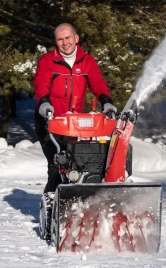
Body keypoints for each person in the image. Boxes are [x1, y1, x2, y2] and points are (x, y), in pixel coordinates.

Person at [34, 23, 116, 239]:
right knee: (57, 164)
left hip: (73, 122)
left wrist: (106, 102)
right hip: (49, 121)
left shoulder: (87, 61)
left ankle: (80, 209)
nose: (65, 43)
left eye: (68, 38)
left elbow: (98, 83)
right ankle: (51, 210)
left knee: (80, 163)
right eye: (60, 39)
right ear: (56, 42)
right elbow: (41, 84)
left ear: (76, 38)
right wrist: (44, 103)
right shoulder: (47, 61)